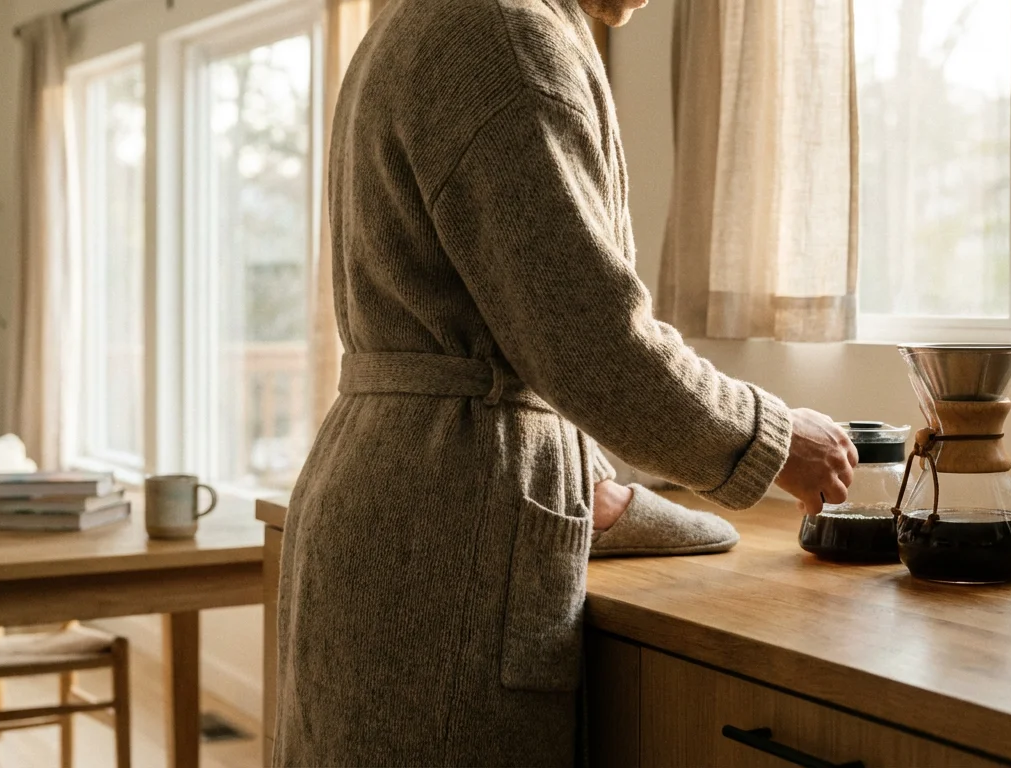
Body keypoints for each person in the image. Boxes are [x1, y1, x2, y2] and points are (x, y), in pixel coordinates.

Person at [273, 0, 857, 764]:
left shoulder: (420, 17)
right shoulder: (504, 34)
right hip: (450, 521)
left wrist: (585, 483)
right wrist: (768, 437)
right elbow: (590, 338)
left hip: (398, 494)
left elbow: (522, 320)